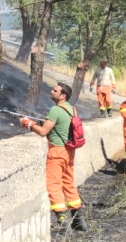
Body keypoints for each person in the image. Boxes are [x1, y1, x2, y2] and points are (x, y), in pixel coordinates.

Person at [20, 83, 87, 231]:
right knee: (68, 183)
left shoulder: (55, 110)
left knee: (54, 185)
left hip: (57, 152)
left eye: (55, 90)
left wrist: (28, 124)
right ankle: (78, 220)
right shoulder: (72, 109)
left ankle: (62, 221)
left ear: (63, 95)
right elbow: (60, 127)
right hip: (69, 152)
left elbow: (43, 132)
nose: (51, 91)